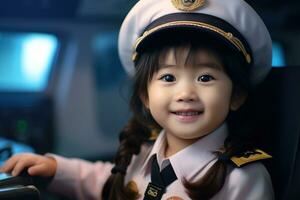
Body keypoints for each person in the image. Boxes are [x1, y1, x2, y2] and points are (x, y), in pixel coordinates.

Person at [0, 0, 274, 199]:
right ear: (145, 95)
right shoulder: (143, 153)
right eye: (168, 78)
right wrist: (56, 168)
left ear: (236, 95)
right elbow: (108, 181)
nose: (186, 93)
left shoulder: (243, 178)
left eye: (205, 78)